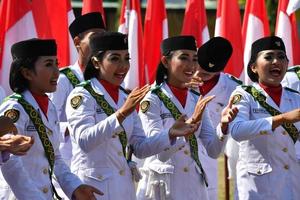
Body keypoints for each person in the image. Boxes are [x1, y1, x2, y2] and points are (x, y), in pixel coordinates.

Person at [65, 32, 198, 200]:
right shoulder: (82, 96)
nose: (123, 66)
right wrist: (122, 113)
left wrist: (170, 134)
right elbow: (85, 141)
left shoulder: (124, 97)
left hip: (124, 189)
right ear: (96, 62)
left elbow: (140, 148)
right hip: (93, 189)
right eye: (114, 58)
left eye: (126, 58)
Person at [136, 35, 238, 200]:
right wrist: (185, 127)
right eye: (184, 58)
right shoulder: (152, 99)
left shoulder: (195, 98)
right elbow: (160, 154)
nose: (191, 65)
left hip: (193, 185)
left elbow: (213, 150)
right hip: (162, 187)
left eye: (195, 59)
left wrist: (224, 126)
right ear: (165, 61)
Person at [0, 38, 102, 200]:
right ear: (27, 73)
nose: (57, 72)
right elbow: (9, 162)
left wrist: (75, 186)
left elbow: (54, 156)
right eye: (48, 64)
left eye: (57, 63)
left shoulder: (49, 106)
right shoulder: (15, 108)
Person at [229, 36, 300, 200]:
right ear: (253, 67)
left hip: (291, 184)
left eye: (281, 57)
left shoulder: (295, 98)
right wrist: (281, 119)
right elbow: (237, 131)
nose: (276, 61)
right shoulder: (244, 95)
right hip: (257, 187)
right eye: (268, 57)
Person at [48, 12, 106, 166]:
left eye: (103, 36)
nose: (100, 42)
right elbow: (46, 120)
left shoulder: (108, 80)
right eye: (95, 37)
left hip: (105, 162)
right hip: (71, 162)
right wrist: (72, 126)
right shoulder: (64, 79)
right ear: (77, 42)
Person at [191, 36, 241, 200]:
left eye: (207, 73)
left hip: (212, 153)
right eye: (198, 68)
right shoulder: (177, 80)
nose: (200, 74)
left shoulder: (234, 88)